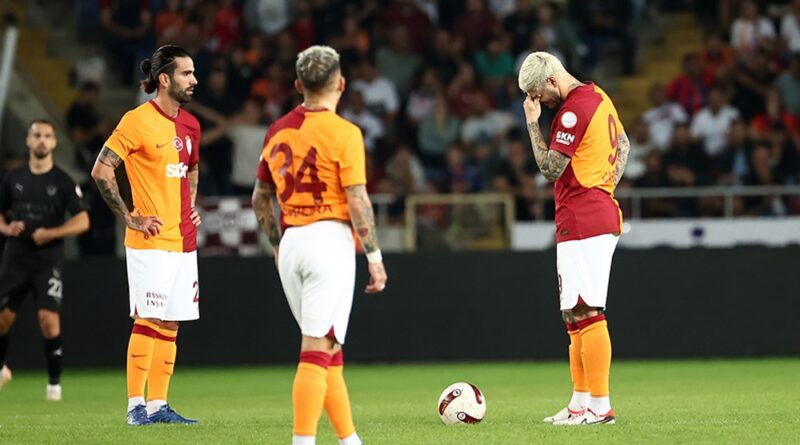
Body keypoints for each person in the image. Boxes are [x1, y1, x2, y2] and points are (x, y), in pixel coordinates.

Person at [251, 45, 387, 445]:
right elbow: (357, 200)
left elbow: (260, 198)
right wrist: (375, 256)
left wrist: (277, 245)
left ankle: (349, 440)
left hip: (292, 241)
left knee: (328, 347)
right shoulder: (345, 133)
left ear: (298, 85)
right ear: (341, 84)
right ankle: (303, 441)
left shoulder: (276, 130)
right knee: (315, 347)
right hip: (328, 241)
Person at [90, 45, 202, 426]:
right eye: (187, 73)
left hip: (183, 240)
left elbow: (191, 169)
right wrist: (129, 217)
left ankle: (159, 405)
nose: (194, 80)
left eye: (194, 72)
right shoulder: (136, 120)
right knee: (148, 319)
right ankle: (135, 407)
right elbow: (102, 170)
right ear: (164, 79)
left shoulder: (191, 125)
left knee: (171, 323)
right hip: (150, 240)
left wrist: (190, 205)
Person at [517, 52, 630, 425]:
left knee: (588, 309)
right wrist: (605, 186)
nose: (541, 103)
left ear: (552, 80)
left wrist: (532, 124)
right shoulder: (599, 97)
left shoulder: (572, 111)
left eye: (539, 95)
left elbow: (551, 169)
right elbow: (624, 145)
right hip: (584, 214)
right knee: (573, 313)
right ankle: (580, 402)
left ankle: (600, 405)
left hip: (585, 217)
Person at [0, 120, 90, 400]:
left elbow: (83, 221)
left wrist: (52, 232)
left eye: (47, 136)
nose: (41, 140)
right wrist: (5, 228)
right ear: (28, 141)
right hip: (16, 258)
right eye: (36, 135)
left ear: (53, 142)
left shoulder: (62, 181)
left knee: (48, 320)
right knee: (2, 319)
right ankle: (2, 369)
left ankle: (54, 384)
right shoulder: (13, 178)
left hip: (47, 260)